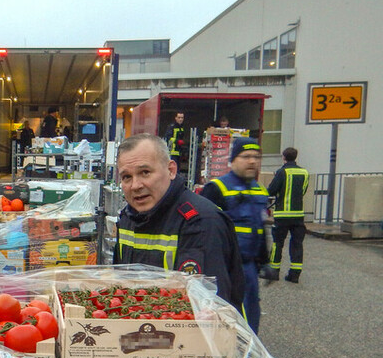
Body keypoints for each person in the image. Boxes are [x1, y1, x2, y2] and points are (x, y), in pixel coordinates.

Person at [114, 133, 245, 310]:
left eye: (145, 172)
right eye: (126, 177)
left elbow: (209, 307)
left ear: (171, 170)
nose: (135, 185)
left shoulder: (201, 222)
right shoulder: (128, 217)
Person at [200, 137, 274, 333]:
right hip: (224, 268)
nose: (252, 161)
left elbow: (259, 229)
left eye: (256, 157)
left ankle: (249, 357)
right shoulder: (217, 189)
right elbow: (201, 232)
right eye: (246, 156)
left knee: (250, 316)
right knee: (224, 316)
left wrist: (266, 261)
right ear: (232, 160)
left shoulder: (259, 191)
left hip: (249, 267)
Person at [266, 147, 309, 283]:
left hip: (282, 214)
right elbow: (303, 191)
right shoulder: (304, 173)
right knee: (297, 244)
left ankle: (274, 272)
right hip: (298, 215)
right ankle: (294, 274)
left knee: (278, 243)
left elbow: (271, 190)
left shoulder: (281, 172)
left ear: (283, 157)